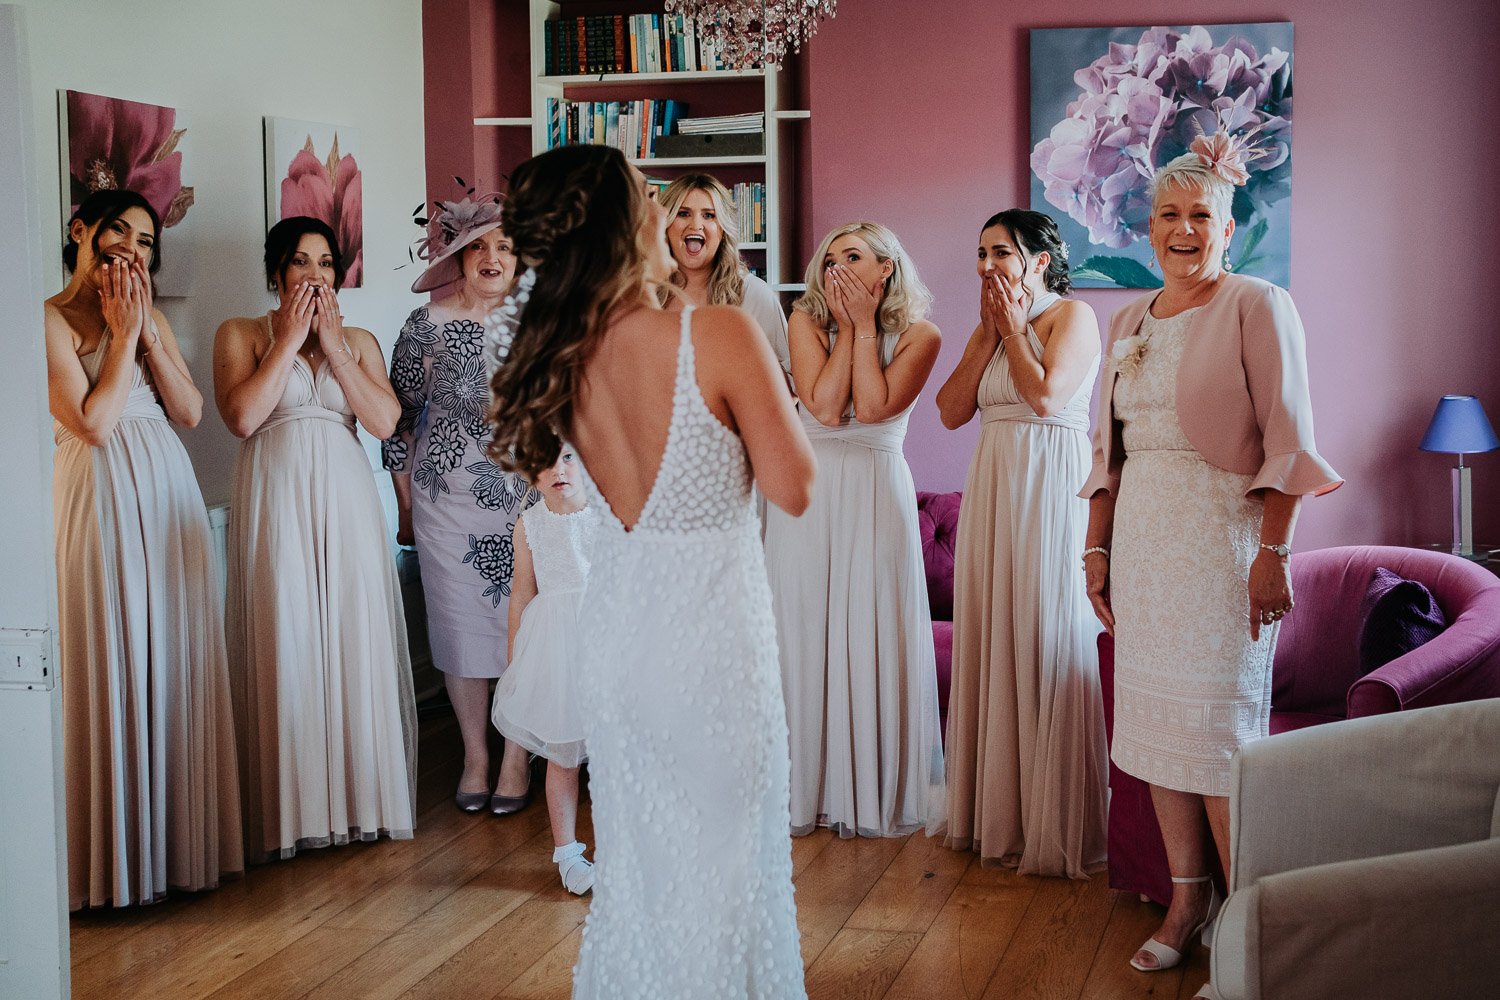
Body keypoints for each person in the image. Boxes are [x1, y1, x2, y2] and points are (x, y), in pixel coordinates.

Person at [486, 143, 815, 999]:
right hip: (714, 644)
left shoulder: (558, 361)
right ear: (628, 223)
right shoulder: (720, 333)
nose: (668, 213)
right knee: (730, 873)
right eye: (650, 198)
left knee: (643, 875)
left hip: (622, 643)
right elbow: (796, 487)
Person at [1079, 131, 1341, 996]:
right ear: (1146, 228)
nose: (1183, 229)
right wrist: (1096, 549)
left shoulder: (1259, 304)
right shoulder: (1127, 318)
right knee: (1161, 739)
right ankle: (1186, 906)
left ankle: (1249, 926)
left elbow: (1290, 444)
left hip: (1224, 547)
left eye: (1201, 216)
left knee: (1222, 743)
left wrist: (1275, 553)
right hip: (1147, 547)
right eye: (1168, 215)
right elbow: (1107, 454)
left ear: (1229, 229)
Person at [45, 189, 242, 908]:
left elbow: (189, 411)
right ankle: (111, 870)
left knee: (173, 658)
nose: (132, 249)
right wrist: (124, 334)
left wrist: (148, 331)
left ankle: (175, 858)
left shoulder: (150, 319)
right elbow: (94, 423)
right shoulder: (50, 320)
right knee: (109, 655)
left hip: (166, 497)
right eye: (119, 232)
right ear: (81, 231)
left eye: (146, 242)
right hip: (97, 493)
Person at [214, 216, 417, 862]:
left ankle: (362, 803)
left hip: (347, 500)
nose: (315, 275)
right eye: (300, 262)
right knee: (289, 634)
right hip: (276, 499)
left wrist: (331, 347)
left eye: (326, 263)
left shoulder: (355, 338)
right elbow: (243, 416)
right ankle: (291, 810)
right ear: (277, 272)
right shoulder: (241, 334)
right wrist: (290, 342)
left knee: (351, 636)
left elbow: (385, 422)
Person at [934, 209, 1107, 877]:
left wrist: (1011, 330)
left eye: (999, 252)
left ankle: (1054, 820)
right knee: (994, 633)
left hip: (1049, 487)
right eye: (980, 252)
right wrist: (986, 335)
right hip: (995, 483)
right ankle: (993, 815)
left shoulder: (1073, 318)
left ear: (1039, 260)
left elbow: (1045, 397)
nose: (984, 265)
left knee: (1042, 631)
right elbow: (950, 412)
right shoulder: (988, 327)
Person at [764, 221, 946, 838]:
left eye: (854, 257)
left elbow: (869, 409)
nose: (838, 267)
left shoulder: (923, 335)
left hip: (874, 492)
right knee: (804, 627)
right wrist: (845, 327)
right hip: (810, 493)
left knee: (868, 626)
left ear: (885, 269)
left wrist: (864, 327)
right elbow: (821, 407)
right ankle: (802, 791)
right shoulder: (802, 322)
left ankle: (867, 793)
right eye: (831, 257)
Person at [383, 196, 537, 813]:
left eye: (505, 247)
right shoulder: (427, 324)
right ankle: (475, 754)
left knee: (526, 630)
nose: (492, 258)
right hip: (445, 495)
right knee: (457, 627)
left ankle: (518, 757)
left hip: (530, 498)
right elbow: (397, 418)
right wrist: (403, 500)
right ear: (458, 257)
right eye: (479, 248)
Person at [490, 447, 596, 895]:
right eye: (545, 460)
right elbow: (520, 593)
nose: (558, 469)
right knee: (562, 757)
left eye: (570, 456)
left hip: (607, 645)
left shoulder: (609, 516)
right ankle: (568, 853)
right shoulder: (529, 525)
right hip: (556, 653)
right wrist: (517, 658)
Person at [659, 173, 789, 372]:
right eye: (683, 213)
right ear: (665, 225)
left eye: (709, 215)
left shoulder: (753, 293)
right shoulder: (643, 293)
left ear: (723, 230)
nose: (696, 225)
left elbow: (789, 382)